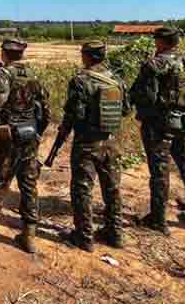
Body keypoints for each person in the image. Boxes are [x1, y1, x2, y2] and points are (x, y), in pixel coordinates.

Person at [0, 38, 50, 254]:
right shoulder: (33, 74)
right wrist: (37, 132)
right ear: (21, 54)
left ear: (4, 53)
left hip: (7, 136)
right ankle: (29, 234)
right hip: (29, 136)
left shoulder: (2, 74)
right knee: (29, 183)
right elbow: (45, 108)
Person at [130, 27, 185, 236]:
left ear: (161, 42)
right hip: (184, 121)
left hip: (160, 124)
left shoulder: (155, 64)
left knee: (160, 169)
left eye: (156, 40)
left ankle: (158, 219)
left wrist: (141, 112)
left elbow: (144, 95)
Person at [56, 42, 131, 252]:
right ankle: (116, 234)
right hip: (111, 142)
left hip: (87, 143)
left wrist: (65, 131)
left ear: (87, 56)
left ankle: (84, 237)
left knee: (82, 188)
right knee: (112, 188)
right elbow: (126, 110)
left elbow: (75, 114)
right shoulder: (116, 79)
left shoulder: (80, 80)